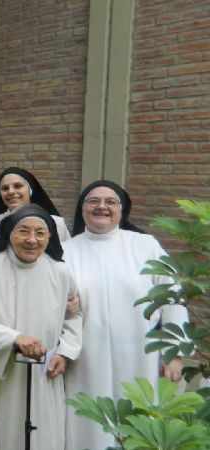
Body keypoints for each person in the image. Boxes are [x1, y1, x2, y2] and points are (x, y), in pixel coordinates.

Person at [63, 180, 189, 450]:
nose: (101, 207)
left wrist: (174, 354)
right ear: (82, 208)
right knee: (89, 424)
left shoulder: (146, 246)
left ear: (122, 209)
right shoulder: (65, 251)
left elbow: (173, 298)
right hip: (85, 358)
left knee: (138, 422)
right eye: (93, 201)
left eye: (111, 202)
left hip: (140, 356)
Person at [0, 204, 82, 450]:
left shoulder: (61, 271)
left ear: (50, 237)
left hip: (42, 372)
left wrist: (65, 353)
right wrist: (13, 338)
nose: (32, 240)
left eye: (40, 233)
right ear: (10, 233)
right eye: (24, 231)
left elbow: (73, 316)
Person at [0, 167, 71, 272]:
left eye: (18, 186)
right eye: (5, 188)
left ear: (30, 190)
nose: (11, 191)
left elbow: (67, 263)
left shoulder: (57, 225)